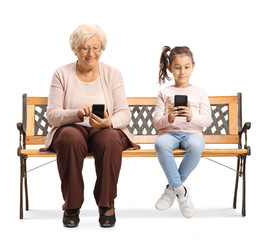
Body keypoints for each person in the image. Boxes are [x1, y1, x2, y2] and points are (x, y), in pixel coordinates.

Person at [43, 24, 139, 228]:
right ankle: (72, 205)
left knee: (110, 138)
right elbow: (52, 114)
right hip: (72, 129)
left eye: (96, 47)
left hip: (104, 129)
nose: (91, 53)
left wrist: (109, 122)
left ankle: (106, 204)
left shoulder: (113, 74)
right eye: (85, 47)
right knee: (70, 137)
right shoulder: (61, 73)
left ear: (102, 48)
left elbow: (124, 113)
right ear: (75, 49)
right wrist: (76, 113)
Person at [153, 46, 213, 218]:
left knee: (195, 146)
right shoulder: (164, 93)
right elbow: (157, 123)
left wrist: (191, 117)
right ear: (170, 68)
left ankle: (172, 189)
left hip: (192, 134)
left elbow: (207, 121)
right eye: (177, 67)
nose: (182, 71)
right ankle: (181, 193)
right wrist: (169, 118)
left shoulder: (200, 92)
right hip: (169, 134)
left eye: (186, 67)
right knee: (161, 144)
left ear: (193, 67)